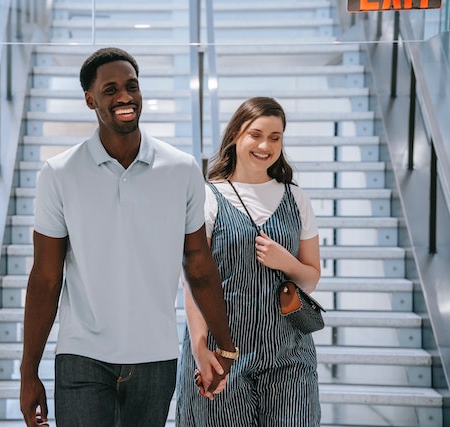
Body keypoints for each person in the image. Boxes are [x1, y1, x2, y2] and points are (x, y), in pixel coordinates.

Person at [19, 47, 238, 427]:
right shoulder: (58, 174)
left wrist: (226, 346)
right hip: (81, 355)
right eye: (110, 89)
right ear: (90, 100)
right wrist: (28, 371)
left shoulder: (181, 169)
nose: (125, 96)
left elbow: (199, 264)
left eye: (131, 86)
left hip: (155, 357)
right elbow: (45, 277)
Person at [176, 97, 322, 426]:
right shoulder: (207, 198)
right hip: (221, 352)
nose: (264, 145)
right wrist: (200, 349)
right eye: (255, 134)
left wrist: (286, 261)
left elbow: (311, 277)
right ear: (235, 136)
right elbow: (192, 284)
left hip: (289, 353)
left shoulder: (297, 199)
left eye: (275, 137)